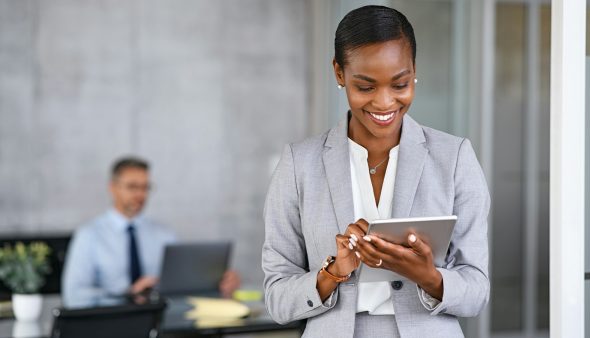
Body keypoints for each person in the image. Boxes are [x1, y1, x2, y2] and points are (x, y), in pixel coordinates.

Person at [262, 5, 490, 337]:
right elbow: (277, 299)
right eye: (366, 87)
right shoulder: (300, 164)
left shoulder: (454, 158)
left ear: (414, 71)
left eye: (399, 84)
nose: (384, 103)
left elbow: (477, 293)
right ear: (339, 74)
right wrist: (334, 272)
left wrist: (428, 276)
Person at [62, 157, 240, 307]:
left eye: (145, 187)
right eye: (132, 187)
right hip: (112, 325)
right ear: (113, 187)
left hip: (160, 324)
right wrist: (128, 294)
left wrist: (217, 285)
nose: (140, 195)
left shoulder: (164, 234)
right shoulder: (89, 235)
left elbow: (181, 288)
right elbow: (73, 296)